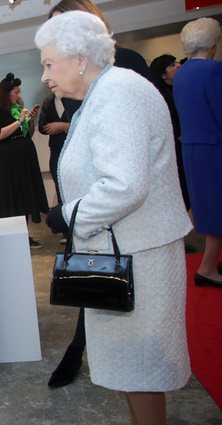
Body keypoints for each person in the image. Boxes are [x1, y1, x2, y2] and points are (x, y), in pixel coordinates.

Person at [36, 11, 192, 424]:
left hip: (140, 255)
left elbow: (124, 186)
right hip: (130, 249)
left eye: (50, 64)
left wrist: (65, 217)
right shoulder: (104, 92)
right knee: (135, 371)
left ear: (80, 59)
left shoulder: (118, 92)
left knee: (141, 370)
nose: (47, 76)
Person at [173, 17, 222, 288]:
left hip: (193, 147)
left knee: (204, 204)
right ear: (213, 42)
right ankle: (207, 268)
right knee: (216, 207)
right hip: (214, 147)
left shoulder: (183, 73)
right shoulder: (214, 72)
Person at [0, 73, 48, 249]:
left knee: (26, 194)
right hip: (9, 158)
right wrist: (19, 121)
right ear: (6, 93)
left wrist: (31, 119)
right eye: (16, 92)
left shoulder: (18, 108)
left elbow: (28, 133)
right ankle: (13, 237)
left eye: (19, 92)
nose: (19, 95)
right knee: (12, 196)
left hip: (25, 154)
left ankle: (26, 234)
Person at [150, 54, 190, 212]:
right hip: (174, 150)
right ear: (163, 74)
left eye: (176, 62)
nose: (178, 65)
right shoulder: (161, 97)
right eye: (172, 65)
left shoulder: (180, 89)